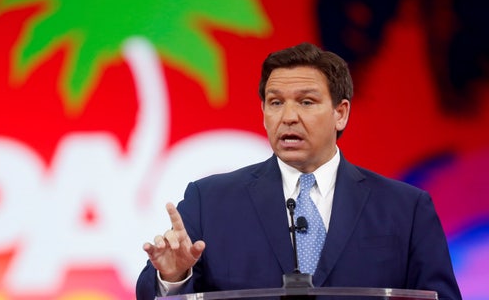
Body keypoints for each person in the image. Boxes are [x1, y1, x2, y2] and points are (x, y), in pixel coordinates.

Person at [136, 42, 462, 300]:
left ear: (341, 113)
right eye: (275, 102)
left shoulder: (405, 208)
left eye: (306, 102)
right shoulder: (209, 201)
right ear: (263, 111)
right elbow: (151, 292)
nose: (288, 117)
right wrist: (174, 278)